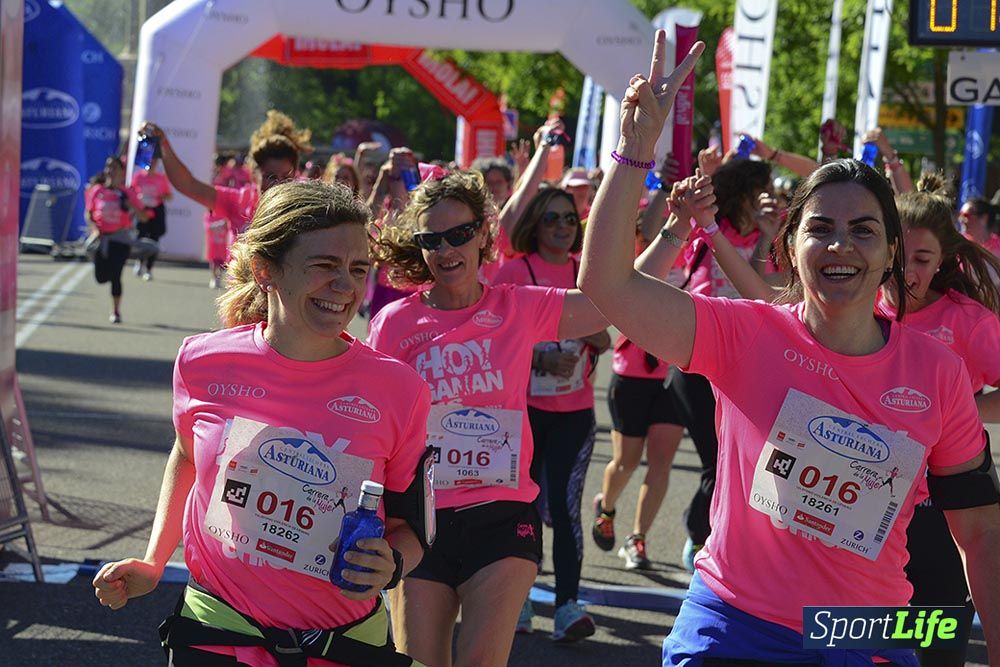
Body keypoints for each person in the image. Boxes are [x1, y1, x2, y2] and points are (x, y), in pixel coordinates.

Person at [579, 32, 1000, 664]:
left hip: (859, 634)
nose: (840, 246)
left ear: (889, 252)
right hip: (733, 623)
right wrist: (634, 152)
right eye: (820, 229)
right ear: (790, 246)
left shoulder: (936, 374)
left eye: (863, 230)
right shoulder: (744, 333)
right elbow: (607, 284)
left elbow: (981, 530)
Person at [92, 179, 434, 667]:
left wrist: (392, 562)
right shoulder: (202, 362)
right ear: (265, 270)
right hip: (218, 632)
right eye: (324, 266)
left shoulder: (399, 389)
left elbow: (411, 526)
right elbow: (188, 455)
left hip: (340, 646)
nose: (345, 286)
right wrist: (153, 560)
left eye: (358, 269)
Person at [367, 170, 608, 664]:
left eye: (459, 234)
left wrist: (671, 231)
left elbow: (613, 304)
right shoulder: (394, 325)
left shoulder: (516, 306)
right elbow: (372, 426)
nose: (446, 248)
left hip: (501, 518)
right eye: (431, 239)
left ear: (483, 234)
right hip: (418, 523)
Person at [492, 187, 611, 638]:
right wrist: (539, 358)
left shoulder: (588, 272)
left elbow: (607, 337)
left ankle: (566, 605)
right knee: (520, 505)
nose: (563, 226)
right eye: (552, 219)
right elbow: (495, 338)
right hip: (520, 412)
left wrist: (593, 335)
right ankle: (518, 600)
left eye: (569, 219)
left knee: (563, 506)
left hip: (574, 413)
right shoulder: (514, 271)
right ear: (535, 226)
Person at [140, 110, 311, 249]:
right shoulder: (238, 202)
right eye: (269, 177)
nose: (277, 184)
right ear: (253, 174)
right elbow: (188, 184)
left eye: (286, 177)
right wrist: (163, 144)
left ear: (295, 174)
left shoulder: (302, 210)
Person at [85, 156, 149, 323]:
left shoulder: (127, 193)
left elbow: (143, 217)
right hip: (101, 239)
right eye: (108, 167)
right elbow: (89, 214)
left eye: (114, 168)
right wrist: (94, 228)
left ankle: (116, 311)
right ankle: (109, 285)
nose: (111, 171)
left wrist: (131, 206)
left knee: (116, 275)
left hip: (120, 239)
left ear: (121, 171)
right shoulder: (97, 190)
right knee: (101, 278)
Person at [130, 156, 173, 281]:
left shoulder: (161, 178)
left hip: (156, 210)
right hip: (142, 210)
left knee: (154, 239)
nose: (152, 164)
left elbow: (169, 196)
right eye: (149, 162)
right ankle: (139, 261)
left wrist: (163, 196)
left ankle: (149, 269)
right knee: (141, 236)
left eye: (154, 162)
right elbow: (131, 192)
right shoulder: (138, 176)